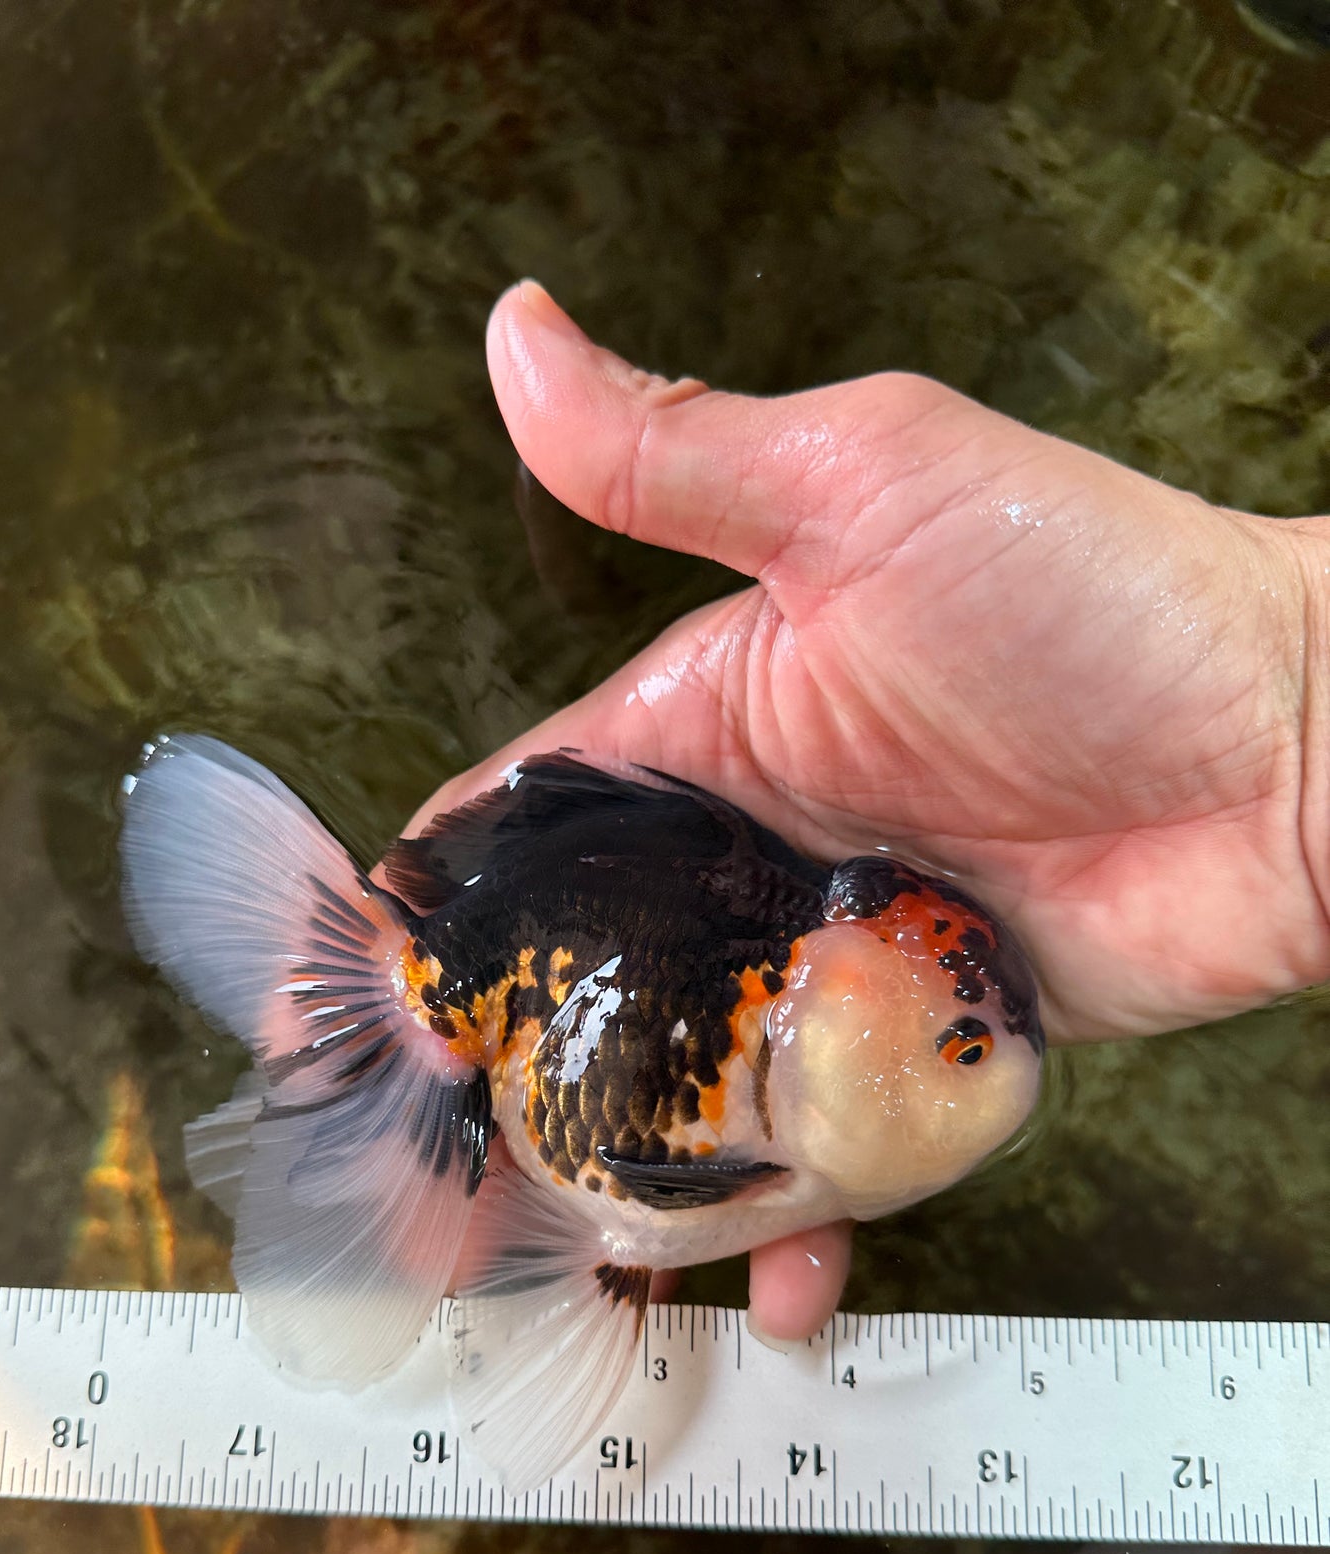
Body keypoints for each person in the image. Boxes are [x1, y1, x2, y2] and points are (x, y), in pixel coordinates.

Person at [402, 280, 1330, 1347]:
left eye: (963, 1045)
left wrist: (1296, 687)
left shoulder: (801, 1030)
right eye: (961, 1047)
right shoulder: (776, 1012)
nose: (994, 1065)